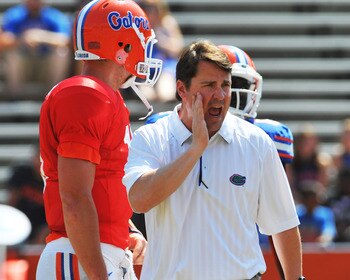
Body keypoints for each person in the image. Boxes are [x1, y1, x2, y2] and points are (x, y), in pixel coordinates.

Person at [123, 40, 304, 280]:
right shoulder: (152, 136)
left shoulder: (256, 142)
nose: (220, 95)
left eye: (225, 85)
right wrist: (194, 150)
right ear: (182, 89)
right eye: (209, 85)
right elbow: (139, 200)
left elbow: (284, 224)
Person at [36, 0, 162, 279]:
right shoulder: (86, 94)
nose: (145, 51)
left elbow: (102, 182)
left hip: (98, 252)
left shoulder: (105, 96)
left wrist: (124, 229)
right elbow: (74, 196)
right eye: (140, 42)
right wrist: (97, 274)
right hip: (81, 256)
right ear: (124, 47)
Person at [1, 0, 72, 96]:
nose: (34, 2)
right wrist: (22, 39)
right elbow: (3, 41)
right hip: (24, 67)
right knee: (11, 53)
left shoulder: (54, 16)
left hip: (45, 67)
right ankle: (14, 96)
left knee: (62, 52)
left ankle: (54, 95)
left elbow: (66, 41)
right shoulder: (14, 15)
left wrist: (41, 36)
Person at [136, 0, 184, 102]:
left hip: (165, 65)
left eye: (153, 9)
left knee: (165, 93)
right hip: (145, 67)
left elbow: (178, 49)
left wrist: (162, 41)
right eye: (147, 8)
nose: (150, 12)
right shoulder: (140, 24)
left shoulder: (167, 23)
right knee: (148, 95)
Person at [6, 145, 48, 245]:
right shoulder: (22, 174)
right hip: (22, 219)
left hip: (44, 224)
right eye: (37, 158)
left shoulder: (54, 179)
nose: (39, 163)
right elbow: (12, 200)